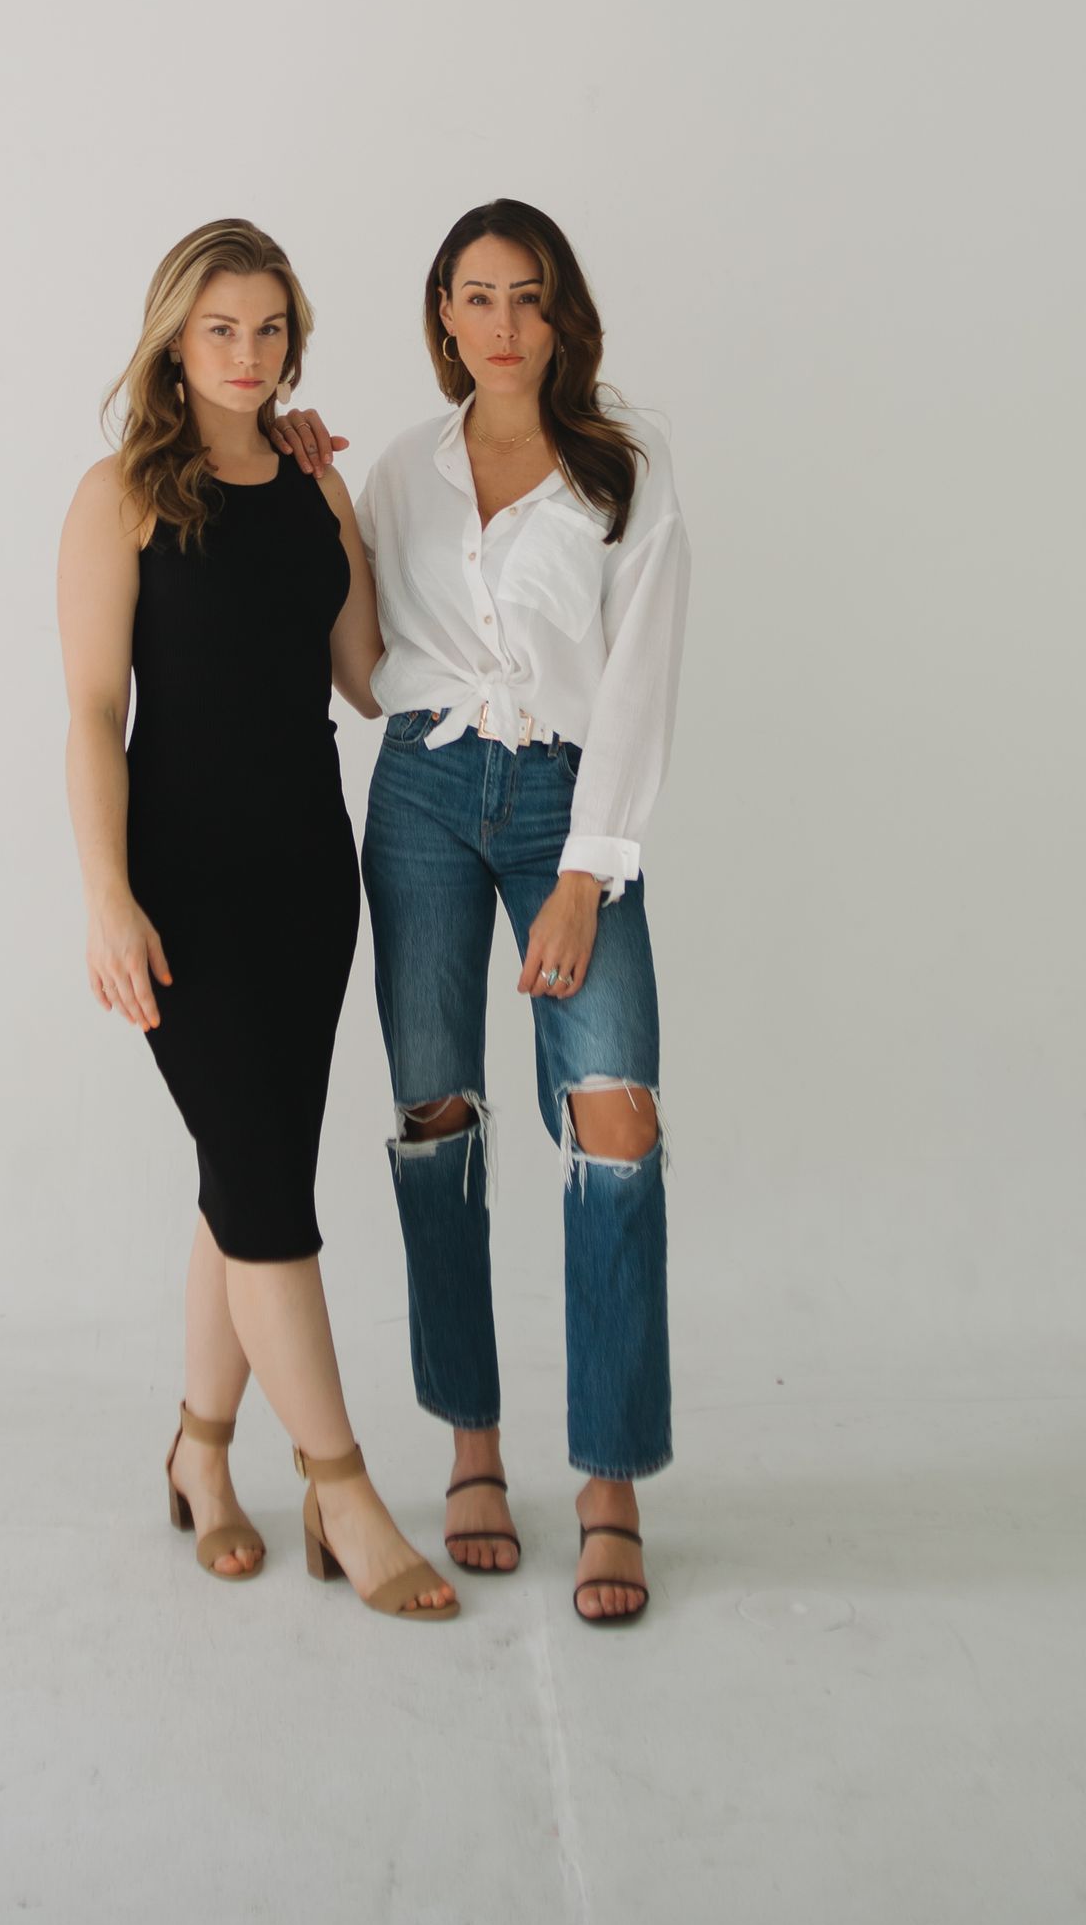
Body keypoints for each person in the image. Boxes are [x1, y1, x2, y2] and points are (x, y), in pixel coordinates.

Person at [273, 198, 689, 1624]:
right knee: (436, 1117)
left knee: (614, 1117)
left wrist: (587, 871)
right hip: (426, 800)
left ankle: (612, 1477)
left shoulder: (620, 474)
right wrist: (326, 505)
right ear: (442, 315)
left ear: (562, 313)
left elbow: (638, 681)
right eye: (474, 296)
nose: (501, 323)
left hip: (571, 804)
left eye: (527, 297)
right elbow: (365, 666)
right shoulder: (403, 471)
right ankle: (471, 1443)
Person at [55, 215, 457, 1621]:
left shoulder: (303, 486)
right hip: (181, 885)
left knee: (251, 1177)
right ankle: (338, 1486)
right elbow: (96, 713)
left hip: (306, 877)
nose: (247, 353)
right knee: (267, 1187)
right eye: (221, 328)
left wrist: (345, 502)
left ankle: (201, 1454)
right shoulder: (120, 496)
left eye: (271, 328)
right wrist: (107, 896)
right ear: (176, 336)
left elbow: (363, 678)